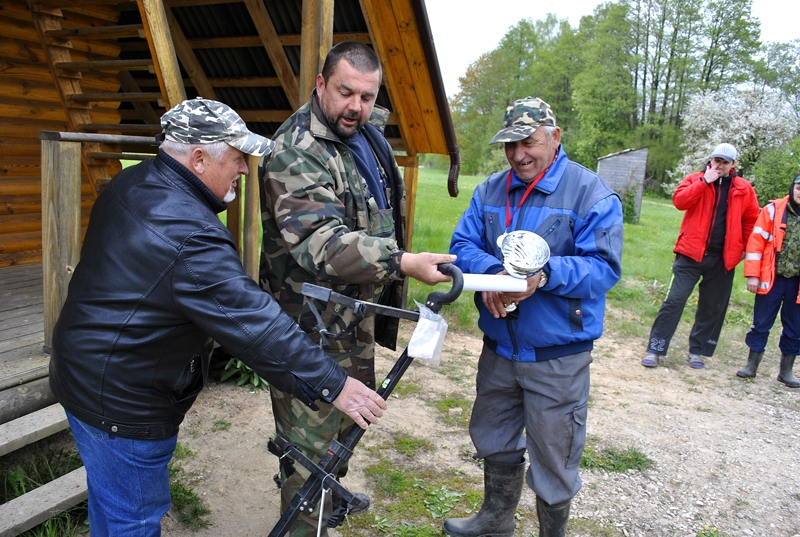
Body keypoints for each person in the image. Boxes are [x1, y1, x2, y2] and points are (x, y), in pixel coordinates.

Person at [49, 97, 387, 537]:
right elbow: (254, 323)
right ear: (199, 157)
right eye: (236, 158)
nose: (245, 170)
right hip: (120, 400)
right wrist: (333, 383)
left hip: (87, 371)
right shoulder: (188, 233)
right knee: (131, 518)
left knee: (112, 506)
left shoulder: (132, 182)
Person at [259, 41, 454, 537]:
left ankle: (328, 501)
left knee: (341, 435)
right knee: (307, 454)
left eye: (367, 97)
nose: (356, 107)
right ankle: (306, 522)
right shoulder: (295, 150)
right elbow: (320, 243)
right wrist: (403, 263)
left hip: (350, 321)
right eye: (345, 92)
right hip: (306, 329)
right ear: (321, 84)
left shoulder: (366, 135)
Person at [446, 97, 623, 537]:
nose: (518, 154)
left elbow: (604, 267)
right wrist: (493, 277)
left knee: (555, 452)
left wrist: (543, 276)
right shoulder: (490, 190)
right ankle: (495, 520)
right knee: (494, 434)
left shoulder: (590, 193)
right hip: (501, 346)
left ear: (555, 137)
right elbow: (462, 244)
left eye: (528, 141)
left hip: (557, 353)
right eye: (510, 144)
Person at [641, 143, 759, 369]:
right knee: (674, 300)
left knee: (712, 306)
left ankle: (697, 351)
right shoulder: (696, 179)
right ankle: (655, 348)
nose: (719, 165)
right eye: (717, 160)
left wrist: (743, 247)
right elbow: (679, 201)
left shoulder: (743, 189)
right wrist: (705, 181)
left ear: (733, 164)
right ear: (711, 160)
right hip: (690, 255)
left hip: (722, 259)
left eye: (725, 162)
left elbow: (751, 220)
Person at [736, 173, 800, 388]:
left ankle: (786, 372)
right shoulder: (772, 210)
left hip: (797, 285)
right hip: (771, 279)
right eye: (799, 188)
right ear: (792, 189)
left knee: (795, 328)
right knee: (761, 324)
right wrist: (753, 275)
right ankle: (751, 367)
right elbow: (755, 245)